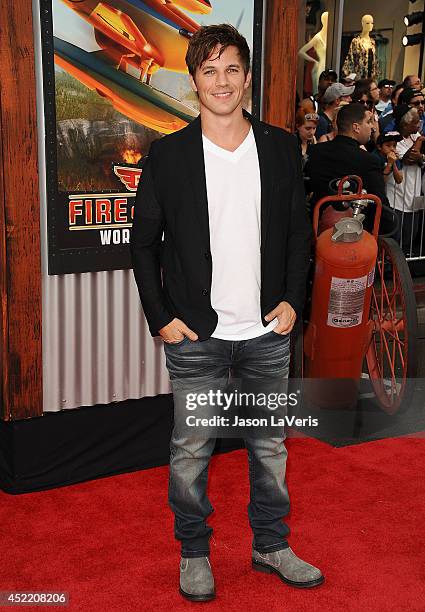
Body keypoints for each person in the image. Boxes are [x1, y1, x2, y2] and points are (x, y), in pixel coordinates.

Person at [131, 24, 323, 602]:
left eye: (232, 69)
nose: (222, 81)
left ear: (247, 78)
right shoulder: (168, 156)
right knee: (191, 452)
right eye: (209, 71)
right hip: (196, 336)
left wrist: (293, 300)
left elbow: (298, 236)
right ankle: (194, 553)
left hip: (267, 330)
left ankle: (270, 545)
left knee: (270, 447)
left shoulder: (282, 146)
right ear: (194, 81)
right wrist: (160, 315)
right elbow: (143, 244)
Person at [304, 103, 390, 226]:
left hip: (316, 225)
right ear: (356, 127)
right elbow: (379, 205)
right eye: (368, 122)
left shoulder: (315, 151)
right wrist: (390, 226)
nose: (372, 127)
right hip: (353, 232)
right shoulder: (369, 161)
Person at [386, 106, 425, 254]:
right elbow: (409, 158)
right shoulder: (393, 140)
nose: (419, 124)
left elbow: (419, 157)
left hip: (414, 196)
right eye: (415, 122)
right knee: (397, 238)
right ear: (405, 124)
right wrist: (420, 140)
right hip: (397, 197)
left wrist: (421, 156)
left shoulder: (414, 137)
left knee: (410, 237)